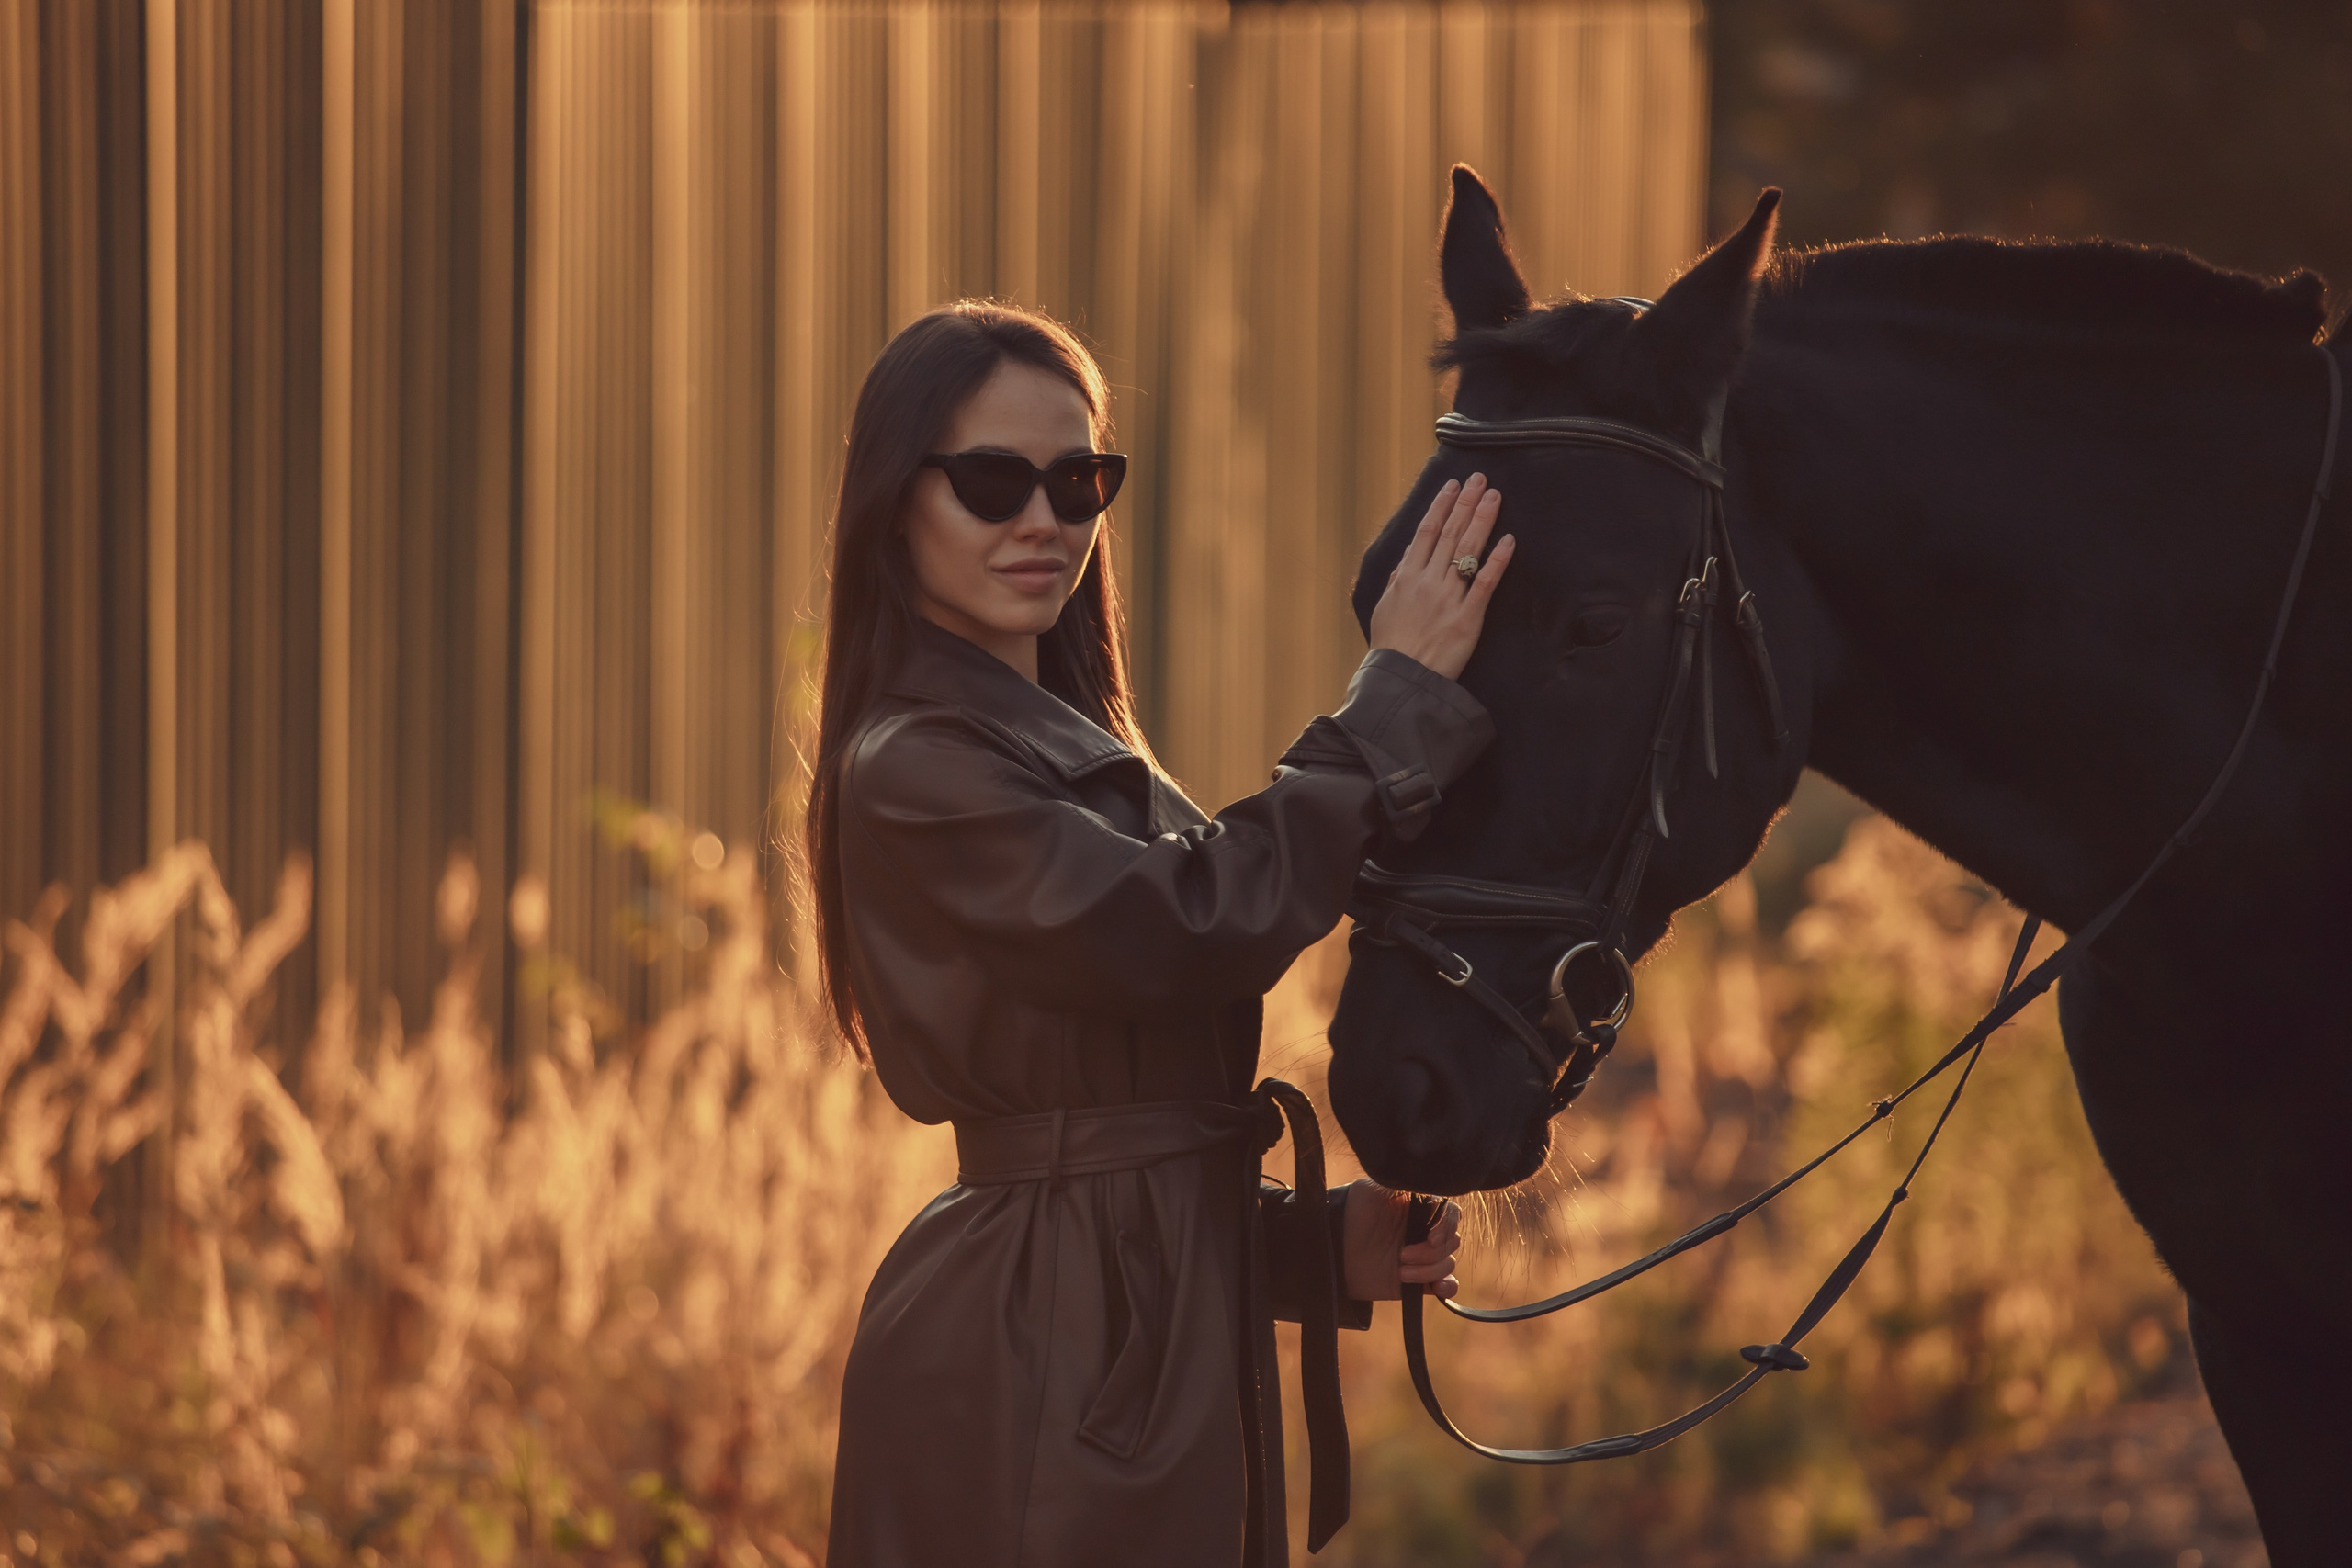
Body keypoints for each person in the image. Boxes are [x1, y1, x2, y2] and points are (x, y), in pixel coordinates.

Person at [808, 300, 1514, 1568]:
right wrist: (1391, 704)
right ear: (894, 499)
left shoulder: (1061, 741)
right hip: (1038, 1351)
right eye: (989, 481)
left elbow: (1117, 1136)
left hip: (1121, 1332)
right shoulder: (914, 765)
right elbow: (1188, 929)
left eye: (1078, 483)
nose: (1042, 521)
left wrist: (1304, 1245)